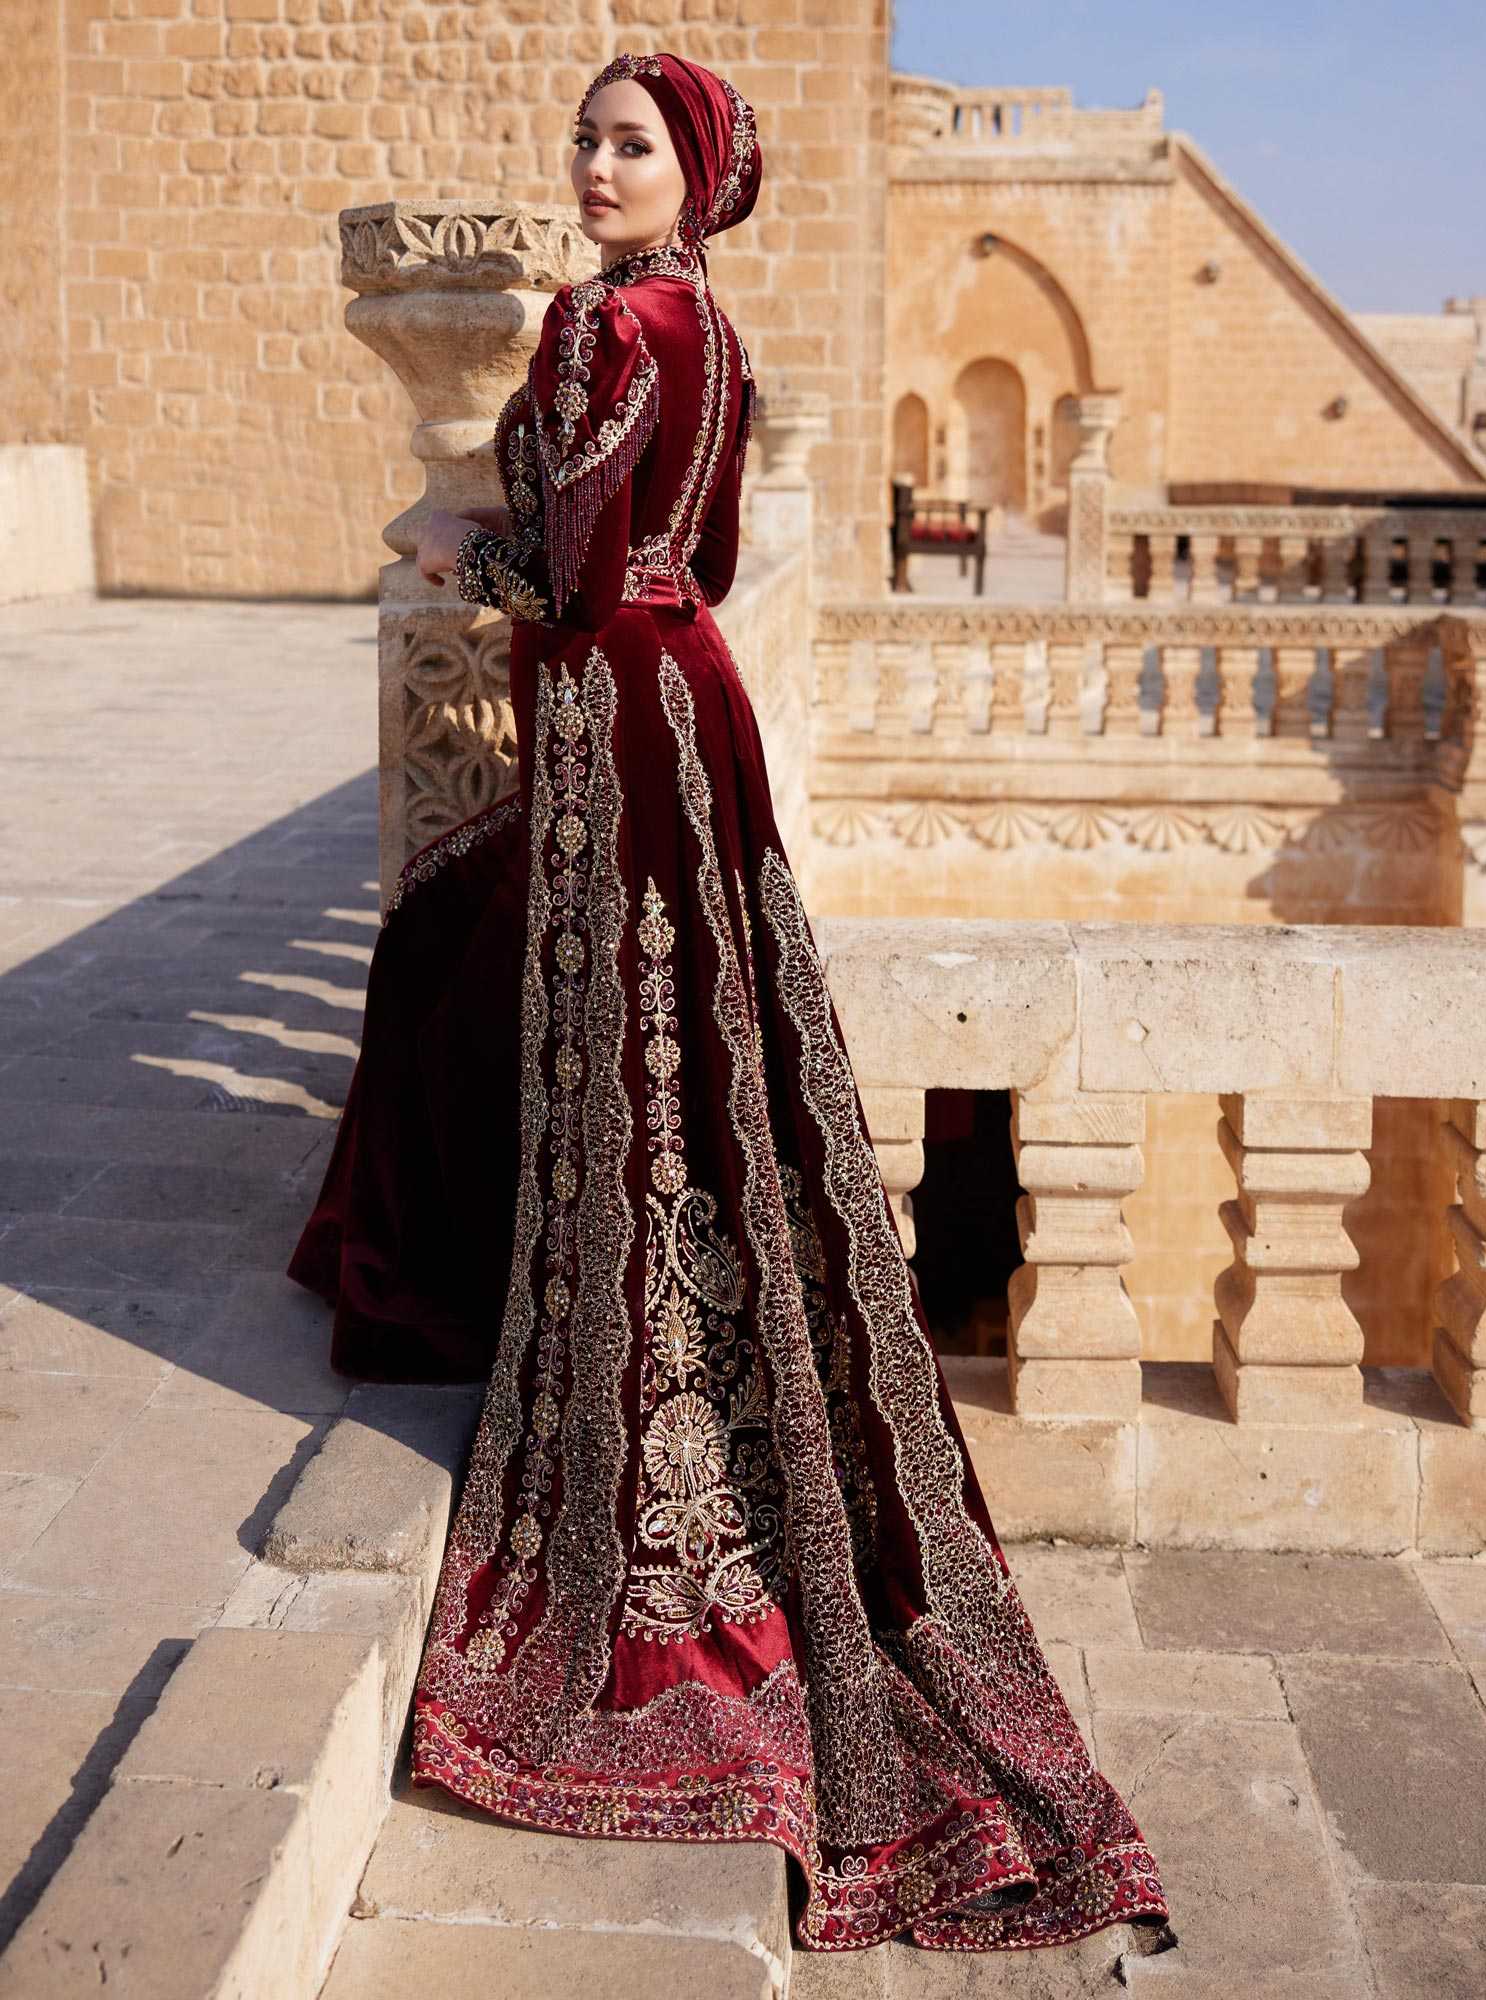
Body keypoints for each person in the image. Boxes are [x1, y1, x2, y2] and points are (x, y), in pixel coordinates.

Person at [287, 49, 1170, 1957]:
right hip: (703, 706)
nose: (595, 167)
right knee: (692, 1051)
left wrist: (456, 548)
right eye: (587, 140)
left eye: (632, 144)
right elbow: (715, 558)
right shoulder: (719, 331)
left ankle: (615, 1401)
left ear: (693, 172)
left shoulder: (607, 325)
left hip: (618, 716)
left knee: (626, 1056)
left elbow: (573, 576)